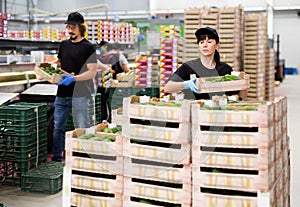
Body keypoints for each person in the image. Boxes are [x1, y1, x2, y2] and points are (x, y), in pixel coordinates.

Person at [51, 12, 97, 162]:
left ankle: (82, 158)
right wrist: (49, 70)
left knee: (82, 127)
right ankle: (57, 158)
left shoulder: (88, 47)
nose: (70, 30)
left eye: (74, 27)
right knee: (58, 127)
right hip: (62, 93)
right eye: (69, 26)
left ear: (81, 27)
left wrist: (74, 78)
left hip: (81, 94)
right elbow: (58, 63)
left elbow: (92, 72)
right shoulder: (63, 45)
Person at [164, 26, 248, 100]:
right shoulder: (189, 67)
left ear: (217, 45)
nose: (205, 45)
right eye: (201, 42)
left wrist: (244, 84)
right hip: (195, 113)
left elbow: (240, 96)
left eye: (209, 42)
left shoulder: (225, 69)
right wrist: (186, 84)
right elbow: (167, 87)